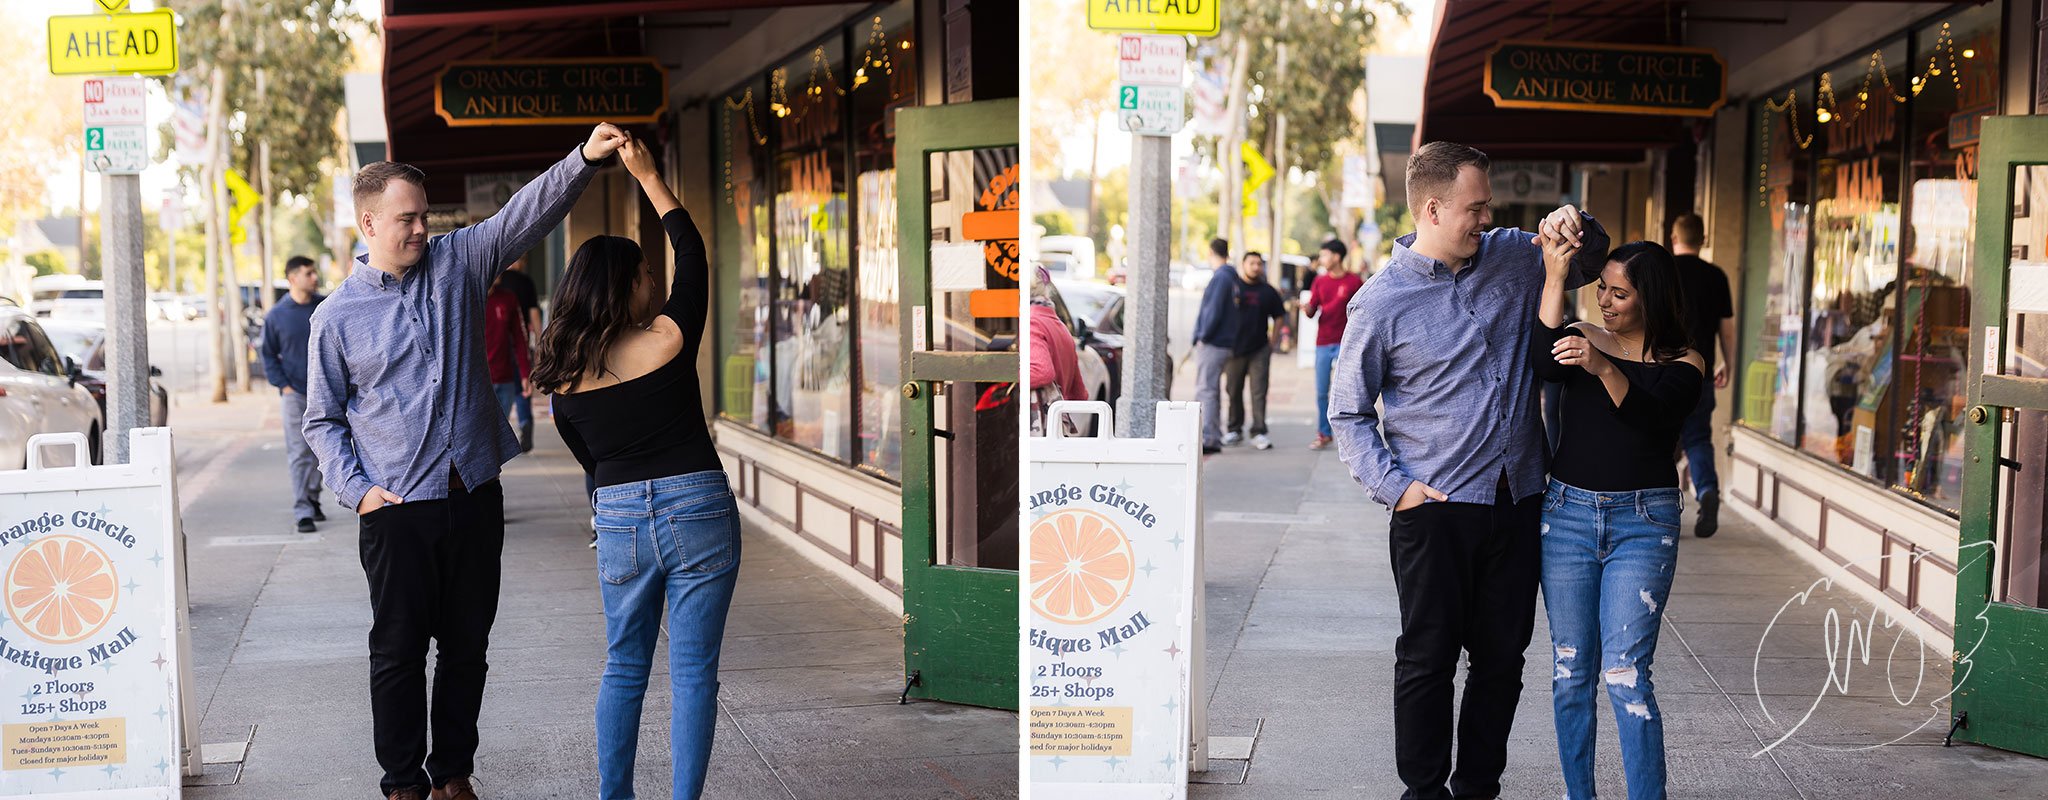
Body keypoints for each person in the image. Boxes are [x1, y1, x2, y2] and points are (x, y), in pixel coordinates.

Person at [305, 123, 622, 800]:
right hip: (396, 510)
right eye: (407, 218)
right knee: (397, 653)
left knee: (467, 646)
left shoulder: (461, 263)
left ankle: (452, 773)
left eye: (425, 215)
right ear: (368, 222)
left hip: (474, 493)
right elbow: (322, 420)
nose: (422, 228)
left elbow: (524, 214)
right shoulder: (335, 317)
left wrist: (584, 160)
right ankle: (401, 783)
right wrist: (357, 491)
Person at [1328, 140, 1608, 800]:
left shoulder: (1513, 255)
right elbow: (1347, 413)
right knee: (1427, 660)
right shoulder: (1380, 302)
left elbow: (1587, 259)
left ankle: (1478, 788)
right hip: (1435, 507)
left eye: (1489, 206)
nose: (1487, 218)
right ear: (1432, 207)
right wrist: (1396, 490)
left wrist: (1576, 221)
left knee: (1502, 660)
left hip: (1517, 501)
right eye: (1475, 207)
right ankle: (1422, 792)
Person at [535, 138, 735, 800]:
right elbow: (695, 257)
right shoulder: (669, 342)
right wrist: (649, 176)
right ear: (623, 287)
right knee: (693, 674)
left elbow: (594, 468)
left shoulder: (566, 385)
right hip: (700, 507)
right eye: (645, 272)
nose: (655, 280)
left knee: (623, 668)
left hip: (619, 517)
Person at [1532, 239, 1702, 800]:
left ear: (1649, 298)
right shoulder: (1578, 338)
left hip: (1643, 523)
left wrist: (1603, 367)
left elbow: (1652, 425)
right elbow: (1538, 363)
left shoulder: (1686, 364)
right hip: (1568, 516)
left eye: (1620, 292)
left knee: (1627, 673)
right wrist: (1556, 279)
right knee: (1571, 671)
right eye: (1601, 287)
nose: (1605, 300)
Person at [1667, 213, 1733, 537]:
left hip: (1663, 372)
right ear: (1703, 240)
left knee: (1660, 439)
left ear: (1673, 238)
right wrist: (1728, 363)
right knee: (1697, 439)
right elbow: (1727, 328)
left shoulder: (1662, 271)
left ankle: (1662, 508)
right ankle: (1707, 491)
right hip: (1701, 372)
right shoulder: (1716, 276)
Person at [259, 255, 325, 533]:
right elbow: (268, 354)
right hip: (294, 394)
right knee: (299, 452)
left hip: (326, 392)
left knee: (323, 452)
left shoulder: (325, 305)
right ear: (293, 278)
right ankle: (303, 511)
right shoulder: (276, 315)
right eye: (308, 273)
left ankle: (312, 496)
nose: (314, 278)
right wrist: (283, 386)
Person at [1220, 252, 1285, 450]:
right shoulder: (1233, 287)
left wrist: (1272, 342)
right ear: (1243, 264)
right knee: (1233, 390)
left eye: (1259, 263)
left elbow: (1280, 316)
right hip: (1234, 349)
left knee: (1259, 392)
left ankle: (1259, 431)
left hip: (1259, 349)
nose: (1256, 267)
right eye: (1252, 263)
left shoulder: (1268, 291)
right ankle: (1234, 429)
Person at [1303, 239, 1362, 451]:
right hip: (1323, 342)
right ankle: (1324, 433)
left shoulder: (1355, 281)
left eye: (1325, 255)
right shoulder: (1319, 281)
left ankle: (1352, 438)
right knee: (1321, 392)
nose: (1322, 259)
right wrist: (1306, 308)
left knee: (1350, 392)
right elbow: (1312, 311)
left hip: (1347, 343)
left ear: (1337, 257)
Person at [1191, 238, 1238, 454]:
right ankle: (1213, 435)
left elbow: (1213, 311)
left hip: (1214, 341)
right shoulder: (1230, 277)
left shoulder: (1221, 278)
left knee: (1206, 390)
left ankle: (1208, 437)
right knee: (1211, 390)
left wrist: (1203, 335)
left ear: (1211, 252)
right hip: (1224, 341)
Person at [1028, 264, 1087, 434]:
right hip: (1055, 431)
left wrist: (1002, 373)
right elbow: (1079, 394)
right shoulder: (1060, 327)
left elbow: (1042, 371)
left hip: (1038, 433)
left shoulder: (1032, 322)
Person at [495, 256, 543, 451]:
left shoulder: (501, 286)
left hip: (500, 350)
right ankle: (524, 422)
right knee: (522, 388)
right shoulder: (525, 282)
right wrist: (540, 341)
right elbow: (533, 313)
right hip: (516, 344)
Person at [484, 273, 532, 442]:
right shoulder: (468, 298)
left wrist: (526, 373)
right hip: (478, 382)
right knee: (483, 438)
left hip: (505, 379)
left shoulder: (508, 299)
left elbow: (520, 338)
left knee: (496, 437)